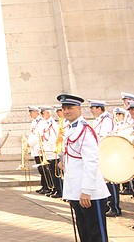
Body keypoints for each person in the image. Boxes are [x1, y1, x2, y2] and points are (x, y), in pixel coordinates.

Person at [57, 93, 109, 241]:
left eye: (70, 107)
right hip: (75, 190)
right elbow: (74, 155)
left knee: (96, 234)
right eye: (64, 108)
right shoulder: (69, 128)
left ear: (79, 109)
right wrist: (64, 163)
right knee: (84, 233)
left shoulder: (85, 129)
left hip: (89, 193)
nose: (67, 111)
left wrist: (86, 191)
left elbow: (91, 161)